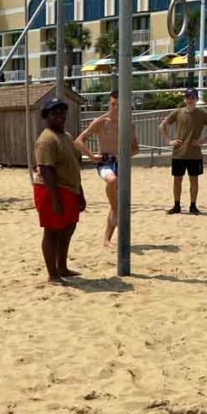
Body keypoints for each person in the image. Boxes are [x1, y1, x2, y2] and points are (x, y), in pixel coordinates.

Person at [75, 90, 139, 247]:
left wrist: (124, 156)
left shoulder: (129, 125)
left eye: (119, 105)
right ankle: (116, 211)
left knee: (117, 201)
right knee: (111, 181)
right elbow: (79, 141)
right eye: (113, 104)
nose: (115, 107)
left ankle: (107, 239)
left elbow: (136, 149)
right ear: (109, 104)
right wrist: (91, 156)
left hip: (121, 164)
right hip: (104, 162)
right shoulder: (100, 122)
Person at [33, 98, 85, 282]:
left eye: (62, 112)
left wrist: (80, 193)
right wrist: (55, 201)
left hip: (70, 189)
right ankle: (53, 273)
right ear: (46, 116)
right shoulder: (46, 139)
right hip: (52, 190)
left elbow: (73, 165)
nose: (60, 116)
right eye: (55, 113)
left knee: (68, 228)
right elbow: (46, 170)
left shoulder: (66, 136)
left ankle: (62, 267)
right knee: (52, 232)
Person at [160, 87, 207, 215]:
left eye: (193, 97)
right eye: (188, 97)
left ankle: (193, 206)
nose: (190, 99)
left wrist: (202, 141)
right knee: (177, 180)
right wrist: (169, 140)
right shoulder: (178, 112)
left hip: (194, 154)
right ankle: (177, 205)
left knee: (194, 180)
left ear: (197, 99)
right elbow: (162, 125)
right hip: (178, 153)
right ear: (185, 99)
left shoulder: (202, 114)